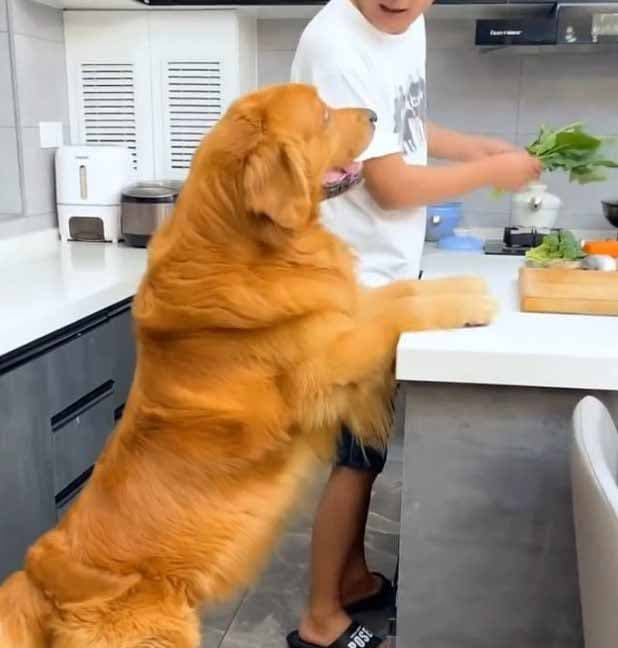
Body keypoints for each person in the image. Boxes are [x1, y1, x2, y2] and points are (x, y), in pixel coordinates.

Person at [287, 1, 542, 647]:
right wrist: (492, 172)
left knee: (367, 453)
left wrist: (470, 146)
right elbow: (392, 186)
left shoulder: (404, 22)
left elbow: (400, 123)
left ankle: (350, 581)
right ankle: (320, 621)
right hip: (346, 282)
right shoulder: (337, 42)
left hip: (385, 274)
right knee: (356, 455)